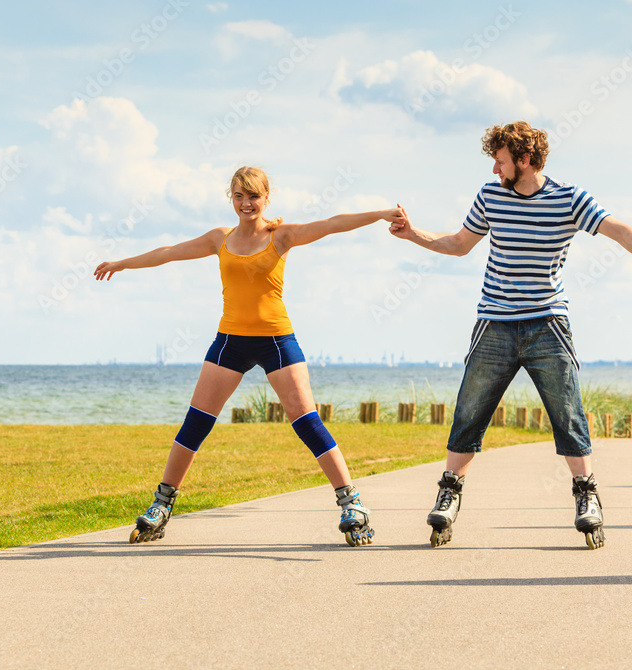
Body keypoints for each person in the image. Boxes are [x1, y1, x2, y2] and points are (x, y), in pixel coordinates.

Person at [389, 121, 632, 550]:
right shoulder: (490, 196)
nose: (494, 169)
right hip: (495, 322)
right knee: (471, 408)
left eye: (500, 160)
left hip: (547, 323)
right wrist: (413, 234)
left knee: (568, 410)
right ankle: (449, 494)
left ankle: (587, 497)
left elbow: (616, 228)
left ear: (524, 160)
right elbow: (459, 243)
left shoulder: (568, 198)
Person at [95, 166, 404, 546]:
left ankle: (351, 503)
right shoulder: (219, 239)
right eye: (239, 196)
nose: (246, 203)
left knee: (306, 421)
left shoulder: (282, 235)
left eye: (253, 196)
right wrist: (121, 263)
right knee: (196, 422)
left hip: (276, 340)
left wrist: (379, 214)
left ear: (266, 197)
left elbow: (332, 223)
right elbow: (170, 252)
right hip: (230, 341)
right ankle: (161, 505)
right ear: (232, 199)